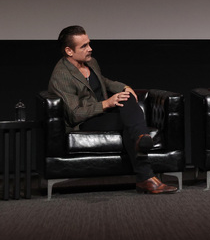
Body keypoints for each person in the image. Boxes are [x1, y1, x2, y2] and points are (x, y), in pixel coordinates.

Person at [48, 26, 178, 194]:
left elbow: (104, 81)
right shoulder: (61, 76)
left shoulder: (90, 62)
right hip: (85, 121)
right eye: (84, 46)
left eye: (89, 44)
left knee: (128, 98)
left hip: (102, 115)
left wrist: (124, 87)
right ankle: (145, 176)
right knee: (128, 123)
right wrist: (106, 104)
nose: (90, 49)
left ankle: (141, 138)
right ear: (69, 51)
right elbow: (75, 114)